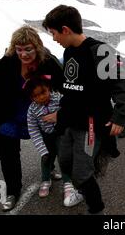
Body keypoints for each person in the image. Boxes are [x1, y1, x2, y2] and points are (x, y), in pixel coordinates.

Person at [42, 4, 125, 215]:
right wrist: (60, 113)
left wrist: (120, 116)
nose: (54, 39)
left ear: (65, 29)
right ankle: (84, 183)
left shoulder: (100, 51)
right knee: (65, 162)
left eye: (54, 33)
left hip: (91, 124)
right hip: (69, 121)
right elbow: (71, 89)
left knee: (81, 174)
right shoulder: (68, 51)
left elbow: (122, 85)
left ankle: (96, 208)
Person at [0, 26, 64, 212]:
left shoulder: (48, 61)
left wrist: (60, 113)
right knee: (8, 153)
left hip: (42, 113)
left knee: (51, 144)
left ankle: (49, 168)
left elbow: (66, 87)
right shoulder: (8, 62)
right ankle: (13, 191)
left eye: (28, 49)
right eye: (19, 49)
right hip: (11, 114)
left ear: (37, 47)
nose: (23, 54)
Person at [24, 75, 84, 205]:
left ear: (49, 88)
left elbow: (69, 112)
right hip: (46, 136)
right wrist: (42, 149)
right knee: (46, 158)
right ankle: (46, 179)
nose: (41, 97)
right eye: (36, 96)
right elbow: (33, 130)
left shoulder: (59, 98)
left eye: (43, 92)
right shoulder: (32, 110)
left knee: (65, 157)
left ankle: (68, 182)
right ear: (31, 98)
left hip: (62, 133)